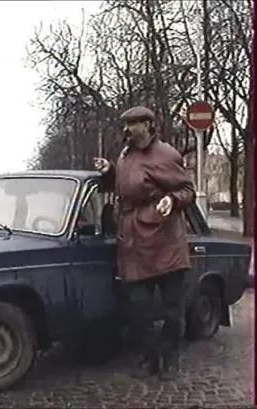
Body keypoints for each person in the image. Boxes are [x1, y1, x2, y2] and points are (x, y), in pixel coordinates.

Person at [93, 106, 195, 381]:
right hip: (133, 241)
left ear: (149, 125)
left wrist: (172, 200)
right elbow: (128, 185)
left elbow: (187, 189)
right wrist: (110, 171)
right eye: (125, 124)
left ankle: (171, 358)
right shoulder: (126, 154)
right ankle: (149, 357)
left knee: (173, 310)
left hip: (165, 241)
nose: (127, 129)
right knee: (138, 308)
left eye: (134, 123)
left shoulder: (166, 154)